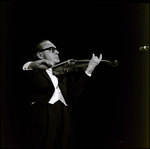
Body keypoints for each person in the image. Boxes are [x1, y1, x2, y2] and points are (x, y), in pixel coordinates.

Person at [21, 40, 102, 148]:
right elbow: (17, 72)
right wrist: (32, 64)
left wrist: (89, 69)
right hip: (43, 112)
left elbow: (75, 93)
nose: (57, 52)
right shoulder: (33, 71)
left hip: (65, 113)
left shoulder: (64, 73)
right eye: (52, 50)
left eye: (57, 50)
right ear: (40, 54)